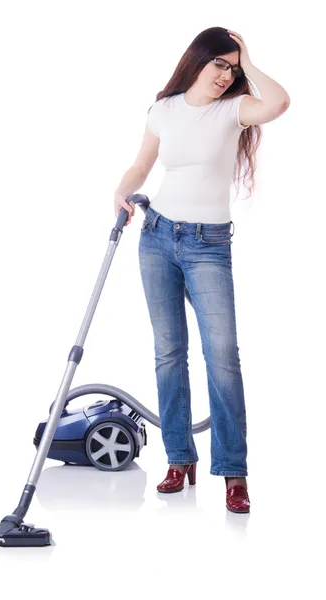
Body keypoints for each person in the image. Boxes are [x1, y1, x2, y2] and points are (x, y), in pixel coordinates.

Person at [113, 27, 290, 513]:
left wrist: (248, 61)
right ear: (198, 60)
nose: (225, 75)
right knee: (169, 353)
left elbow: (277, 103)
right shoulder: (163, 110)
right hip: (157, 237)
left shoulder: (234, 109)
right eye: (219, 64)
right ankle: (179, 460)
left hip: (208, 245)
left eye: (231, 69)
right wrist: (120, 191)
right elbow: (141, 165)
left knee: (222, 356)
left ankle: (234, 472)